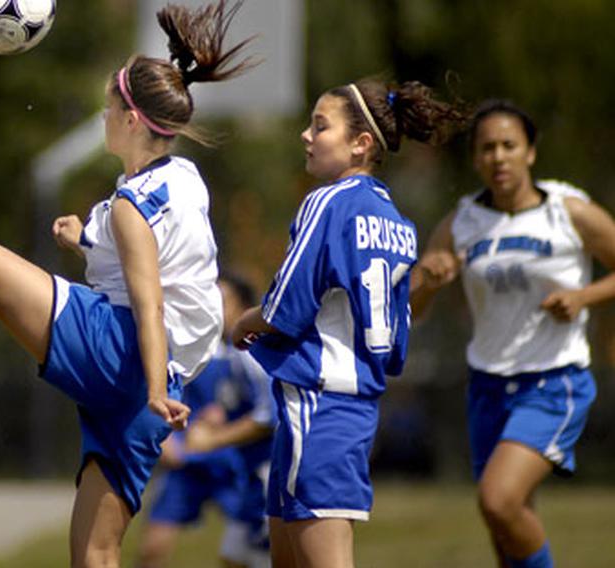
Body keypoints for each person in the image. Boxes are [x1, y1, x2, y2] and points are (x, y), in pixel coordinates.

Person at [0, 1, 256, 565]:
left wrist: (152, 385)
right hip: (154, 386)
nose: (103, 115)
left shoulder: (130, 208)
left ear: (131, 120)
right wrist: (86, 238)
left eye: (109, 106)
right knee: (95, 554)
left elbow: (150, 301)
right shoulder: (184, 180)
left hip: (126, 353)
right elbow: (165, 259)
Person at [232, 79, 466, 567]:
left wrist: (244, 321)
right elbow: (397, 335)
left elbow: (285, 305)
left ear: (361, 144)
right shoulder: (399, 223)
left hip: (318, 404)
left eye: (320, 125)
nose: (306, 135)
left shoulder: (329, 201)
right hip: (351, 407)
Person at [410, 99, 615, 568]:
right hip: (488, 385)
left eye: (508, 145)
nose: (498, 157)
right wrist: (431, 283)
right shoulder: (461, 222)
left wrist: (583, 298)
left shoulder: (567, 212)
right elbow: (414, 310)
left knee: (498, 500)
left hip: (553, 380)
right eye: (486, 148)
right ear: (476, 159)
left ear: (530, 153)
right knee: (506, 528)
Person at [138, 273, 275, 568]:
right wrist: (165, 441)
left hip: (239, 464)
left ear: (243, 307)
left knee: (256, 552)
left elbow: (267, 413)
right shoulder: (179, 344)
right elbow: (154, 396)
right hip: (189, 457)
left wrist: (215, 435)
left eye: (223, 301)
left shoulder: (250, 351)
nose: (214, 308)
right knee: (156, 548)